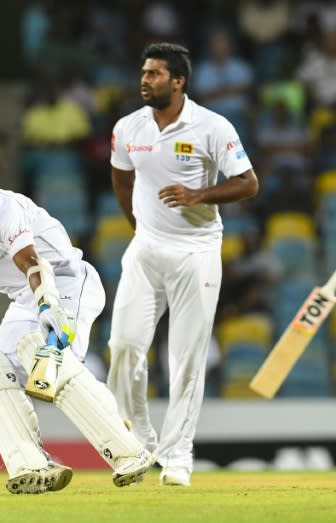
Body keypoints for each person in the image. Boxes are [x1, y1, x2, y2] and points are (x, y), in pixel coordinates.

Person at [0, 146, 153, 494]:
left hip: (65, 280)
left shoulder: (1, 208)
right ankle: (31, 463)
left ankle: (128, 452)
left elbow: (31, 261)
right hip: (23, 299)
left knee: (43, 354)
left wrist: (47, 304)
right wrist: (34, 303)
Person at [107, 42, 259, 487]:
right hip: (146, 250)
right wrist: (137, 226)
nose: (144, 79)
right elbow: (120, 176)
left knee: (186, 360)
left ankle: (178, 458)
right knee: (123, 347)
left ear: (179, 81)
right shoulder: (127, 127)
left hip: (196, 252)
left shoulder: (213, 126)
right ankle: (140, 442)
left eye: (155, 73)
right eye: (143, 71)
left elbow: (249, 183)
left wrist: (199, 195)